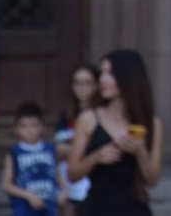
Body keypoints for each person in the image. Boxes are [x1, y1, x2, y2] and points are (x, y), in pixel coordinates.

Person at [67, 50, 162, 216]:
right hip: (97, 207)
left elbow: (151, 180)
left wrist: (140, 151)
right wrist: (95, 158)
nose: (102, 79)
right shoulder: (88, 118)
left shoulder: (152, 122)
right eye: (102, 73)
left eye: (110, 74)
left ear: (128, 78)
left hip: (134, 208)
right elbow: (72, 174)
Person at [1, 102, 68, 216]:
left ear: (42, 127)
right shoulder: (14, 152)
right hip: (25, 208)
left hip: (49, 206)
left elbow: (55, 172)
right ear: (16, 129)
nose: (29, 130)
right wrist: (29, 196)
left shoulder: (50, 149)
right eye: (24, 126)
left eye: (34, 125)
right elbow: (6, 185)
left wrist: (64, 191)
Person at [55, 63, 99, 216]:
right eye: (77, 83)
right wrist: (84, 150)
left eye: (87, 83)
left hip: (92, 176)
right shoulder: (66, 114)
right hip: (68, 176)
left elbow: (99, 149)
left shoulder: (101, 114)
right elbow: (59, 148)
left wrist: (74, 149)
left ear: (96, 86)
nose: (81, 88)